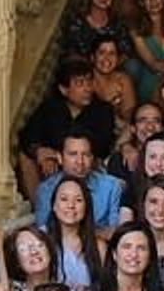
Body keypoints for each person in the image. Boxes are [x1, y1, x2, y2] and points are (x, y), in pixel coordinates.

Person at [18, 56, 119, 196]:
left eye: (89, 82)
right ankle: (41, 208)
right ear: (64, 89)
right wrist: (40, 152)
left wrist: (59, 157)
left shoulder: (102, 110)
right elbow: (27, 136)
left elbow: (101, 146)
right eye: (80, 84)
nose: (87, 89)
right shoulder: (50, 108)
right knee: (26, 157)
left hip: (85, 163)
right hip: (51, 167)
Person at [33, 130, 125, 234]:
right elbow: (44, 233)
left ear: (92, 158)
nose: (80, 161)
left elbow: (116, 234)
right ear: (59, 158)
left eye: (86, 154)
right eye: (73, 154)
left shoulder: (111, 187)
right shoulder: (46, 189)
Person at [44, 175, 107, 291]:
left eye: (78, 200)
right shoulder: (42, 241)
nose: (71, 205)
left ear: (86, 207)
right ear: (54, 206)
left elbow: (105, 289)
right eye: (64, 199)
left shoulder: (99, 247)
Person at [92, 32, 140, 124]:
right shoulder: (85, 80)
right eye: (101, 52)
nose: (107, 58)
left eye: (112, 53)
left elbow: (128, 113)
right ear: (93, 57)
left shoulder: (123, 80)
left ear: (118, 59)